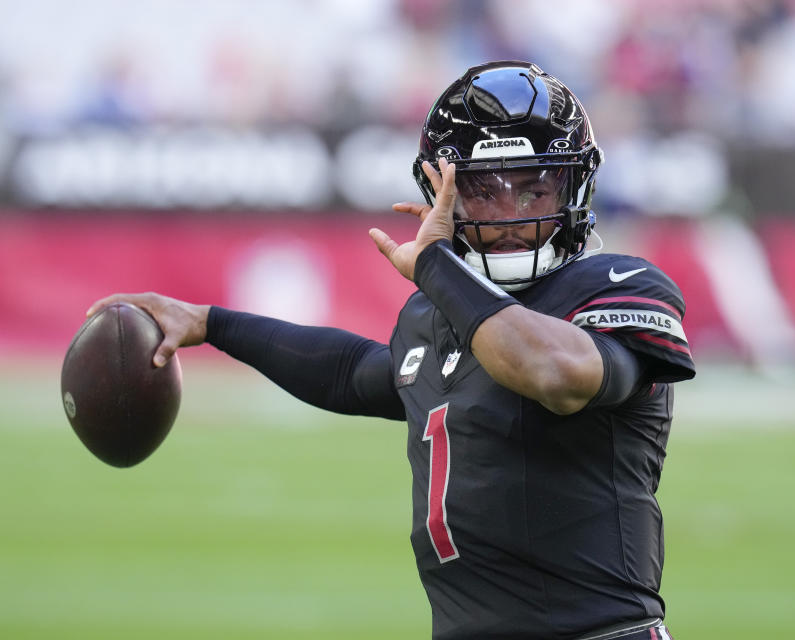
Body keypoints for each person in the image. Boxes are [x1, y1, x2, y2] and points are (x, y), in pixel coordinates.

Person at [89, 61, 696, 640]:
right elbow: (358, 371)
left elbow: (554, 371)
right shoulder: (436, 315)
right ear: (443, 196)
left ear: (576, 187)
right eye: (484, 191)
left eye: (534, 189)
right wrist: (209, 321)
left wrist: (436, 265)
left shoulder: (619, 285)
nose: (509, 214)